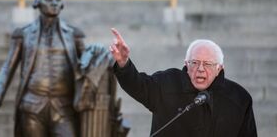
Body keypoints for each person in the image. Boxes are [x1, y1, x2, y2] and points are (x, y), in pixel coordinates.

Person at [109, 28, 257, 137]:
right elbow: (138, 85)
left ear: (220, 68)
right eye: (194, 62)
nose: (200, 69)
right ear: (186, 64)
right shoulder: (167, 83)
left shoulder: (239, 98)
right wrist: (123, 62)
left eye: (207, 64)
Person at [0, 0, 85, 137]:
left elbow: (90, 65)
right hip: (32, 107)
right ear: (38, 3)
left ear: (62, 4)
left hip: (64, 107)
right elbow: (8, 68)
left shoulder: (74, 34)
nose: (54, 3)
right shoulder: (23, 34)